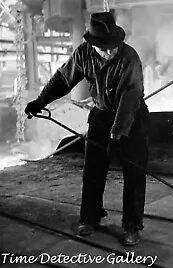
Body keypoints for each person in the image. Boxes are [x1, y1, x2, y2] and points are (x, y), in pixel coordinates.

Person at [24, 12, 149, 247]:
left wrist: (118, 133)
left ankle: (131, 225)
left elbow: (130, 98)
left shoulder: (129, 57)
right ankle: (90, 217)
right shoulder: (83, 53)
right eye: (105, 47)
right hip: (101, 115)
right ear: (93, 44)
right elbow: (63, 79)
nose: (110, 51)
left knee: (134, 173)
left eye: (113, 46)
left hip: (131, 118)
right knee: (93, 169)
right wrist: (41, 101)